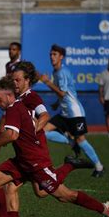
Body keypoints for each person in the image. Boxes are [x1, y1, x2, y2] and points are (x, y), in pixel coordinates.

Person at [0, 77, 109, 217]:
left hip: (35, 162)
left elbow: (12, 135)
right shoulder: (16, 106)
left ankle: (104, 208)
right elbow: (14, 133)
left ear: (8, 95)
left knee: (64, 195)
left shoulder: (14, 107)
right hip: (22, 160)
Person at [1, 62, 92, 217]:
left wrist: (32, 132)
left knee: (45, 193)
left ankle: (70, 165)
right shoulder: (19, 99)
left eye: (17, 80)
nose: (14, 83)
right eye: (13, 80)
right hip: (25, 154)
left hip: (35, 153)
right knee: (22, 189)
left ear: (27, 80)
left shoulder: (31, 97)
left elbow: (44, 115)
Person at [40, 44, 104, 178]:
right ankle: (70, 141)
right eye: (51, 54)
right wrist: (57, 104)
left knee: (81, 140)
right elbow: (63, 94)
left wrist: (47, 83)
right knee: (43, 131)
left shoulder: (63, 72)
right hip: (64, 113)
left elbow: (63, 93)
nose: (52, 57)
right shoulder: (56, 72)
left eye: (55, 54)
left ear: (61, 57)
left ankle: (99, 167)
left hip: (75, 113)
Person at [99, 58, 109, 138]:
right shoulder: (104, 74)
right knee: (108, 115)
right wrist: (101, 97)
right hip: (107, 98)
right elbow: (101, 87)